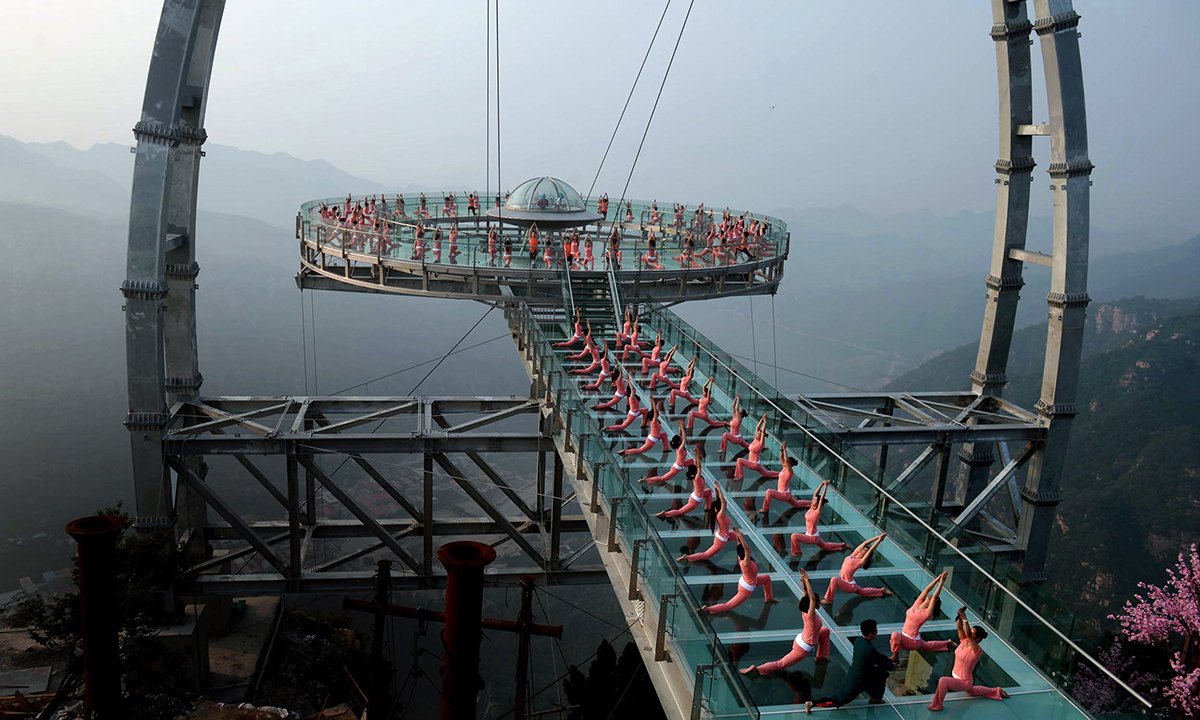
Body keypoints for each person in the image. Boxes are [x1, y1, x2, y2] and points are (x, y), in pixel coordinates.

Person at [739, 568, 828, 674]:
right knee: (780, 665)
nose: (820, 603)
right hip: (802, 648)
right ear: (813, 605)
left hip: (804, 637)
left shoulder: (805, 612)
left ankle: (821, 656)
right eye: (818, 602)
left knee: (825, 631)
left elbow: (806, 595)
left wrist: (804, 580)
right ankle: (756, 669)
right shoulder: (810, 616)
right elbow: (812, 598)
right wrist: (806, 581)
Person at [928, 607, 1010, 711]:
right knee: (973, 691)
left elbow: (968, 635)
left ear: (978, 638)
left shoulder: (976, 650)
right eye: (970, 631)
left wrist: (965, 619)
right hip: (960, 678)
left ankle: (937, 705)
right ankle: (996, 691)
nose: (969, 634)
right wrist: (960, 616)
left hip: (964, 681)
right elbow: (959, 627)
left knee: (943, 681)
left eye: (972, 633)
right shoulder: (964, 641)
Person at [806, 620, 895, 712]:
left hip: (864, 674)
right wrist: (891, 666)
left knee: (880, 675)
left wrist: (888, 660)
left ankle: (875, 698)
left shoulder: (859, 641)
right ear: (871, 634)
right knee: (837, 700)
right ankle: (812, 704)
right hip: (858, 679)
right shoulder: (869, 649)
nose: (877, 632)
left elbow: (876, 655)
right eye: (876, 630)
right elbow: (878, 661)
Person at [702, 528, 776, 614]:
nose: (749, 549)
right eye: (746, 550)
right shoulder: (746, 563)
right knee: (728, 606)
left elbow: (740, 545)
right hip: (746, 588)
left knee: (766, 578)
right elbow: (747, 549)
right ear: (745, 553)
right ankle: (708, 609)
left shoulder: (741, 557)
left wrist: (738, 536)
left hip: (750, 580)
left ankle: (768, 598)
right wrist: (740, 535)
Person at [891, 571, 955, 661]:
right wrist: (937, 579)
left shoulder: (926, 613)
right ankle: (948, 643)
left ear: (932, 604)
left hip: (912, 641)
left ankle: (895, 656)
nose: (930, 596)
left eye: (932, 599)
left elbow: (935, 596)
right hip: (910, 637)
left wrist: (941, 583)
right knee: (928, 645)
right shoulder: (917, 603)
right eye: (930, 596)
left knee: (895, 635)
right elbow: (927, 589)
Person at [823, 534, 894, 604]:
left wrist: (879, 540)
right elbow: (865, 543)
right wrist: (877, 537)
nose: (862, 548)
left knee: (834, 580)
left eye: (865, 549)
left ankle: (829, 599)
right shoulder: (853, 555)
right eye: (863, 548)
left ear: (865, 554)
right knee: (863, 591)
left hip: (849, 585)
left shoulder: (860, 561)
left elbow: (872, 549)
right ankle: (881, 591)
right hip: (849, 582)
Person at [756, 441, 811, 522]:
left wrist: (785, 449)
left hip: (783, 494)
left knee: (769, 492)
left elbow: (786, 461)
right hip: (786, 493)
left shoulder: (790, 472)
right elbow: (782, 458)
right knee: (797, 504)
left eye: (787, 462)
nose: (785, 462)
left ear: (790, 464)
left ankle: (765, 509)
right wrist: (781, 449)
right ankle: (812, 503)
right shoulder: (784, 468)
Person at [789, 481, 848, 554]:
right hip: (813, 535)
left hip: (812, 537)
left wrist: (826, 486)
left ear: (817, 503)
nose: (812, 500)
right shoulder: (811, 508)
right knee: (826, 546)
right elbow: (815, 494)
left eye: (814, 500)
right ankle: (842, 545)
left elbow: (821, 498)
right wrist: (821, 484)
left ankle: (797, 552)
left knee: (794, 536)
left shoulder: (817, 512)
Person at [678, 483, 732, 562]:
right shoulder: (720, 515)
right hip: (721, 538)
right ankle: (687, 557)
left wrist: (717, 490)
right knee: (706, 555)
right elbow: (723, 502)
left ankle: (688, 557)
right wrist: (718, 489)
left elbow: (721, 501)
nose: (725, 505)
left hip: (722, 536)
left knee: (740, 535)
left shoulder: (719, 513)